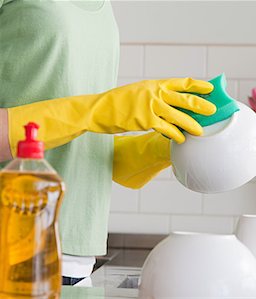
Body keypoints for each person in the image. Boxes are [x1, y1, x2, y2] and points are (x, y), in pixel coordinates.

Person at [0, 0, 216, 285]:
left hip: (75, 265)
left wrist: (164, 147)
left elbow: (85, 151)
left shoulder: (102, 6)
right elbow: (88, 116)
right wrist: (99, 110)